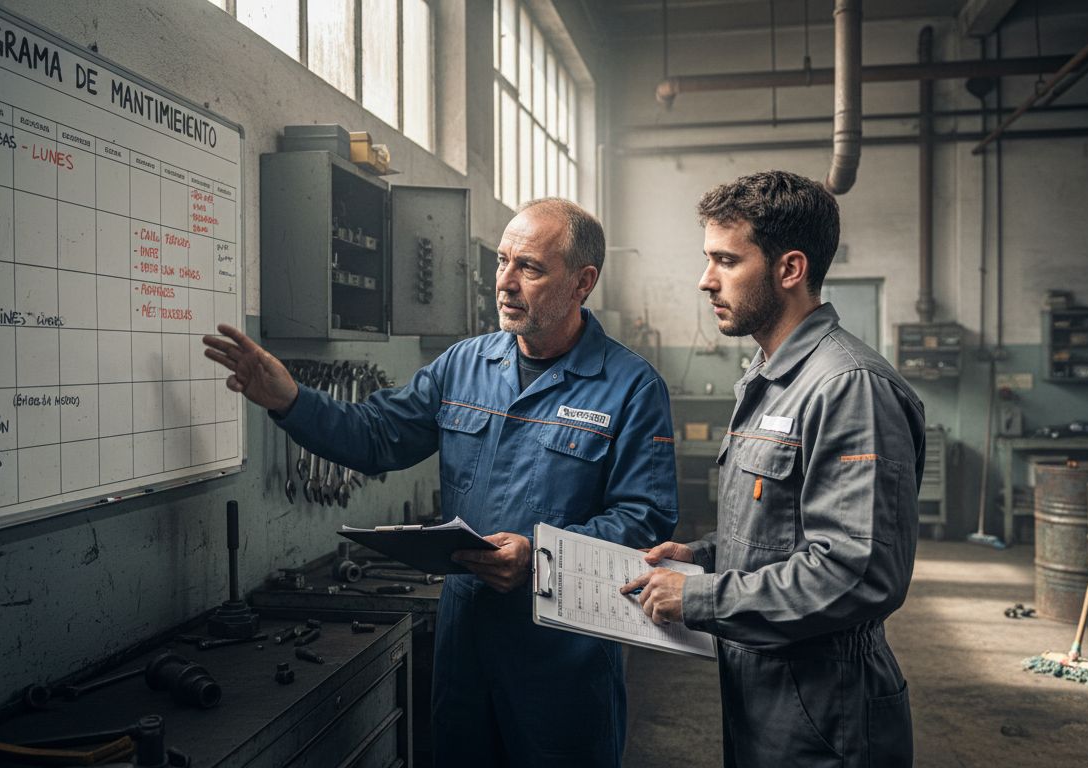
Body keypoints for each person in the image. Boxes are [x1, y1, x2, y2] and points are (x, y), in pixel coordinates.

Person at [203, 198, 678, 767]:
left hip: (563, 655)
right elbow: (376, 434)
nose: (504, 283)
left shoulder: (630, 387)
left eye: (529, 267)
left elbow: (644, 521)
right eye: (501, 262)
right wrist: (291, 401)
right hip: (466, 645)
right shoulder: (464, 367)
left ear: (583, 282)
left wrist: (540, 556)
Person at [620, 171, 925, 767]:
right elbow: (785, 532)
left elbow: (858, 573)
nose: (704, 280)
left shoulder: (847, 387)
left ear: (790, 269)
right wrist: (704, 556)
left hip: (824, 705)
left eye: (726, 261)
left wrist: (703, 597)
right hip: (764, 690)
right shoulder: (770, 380)